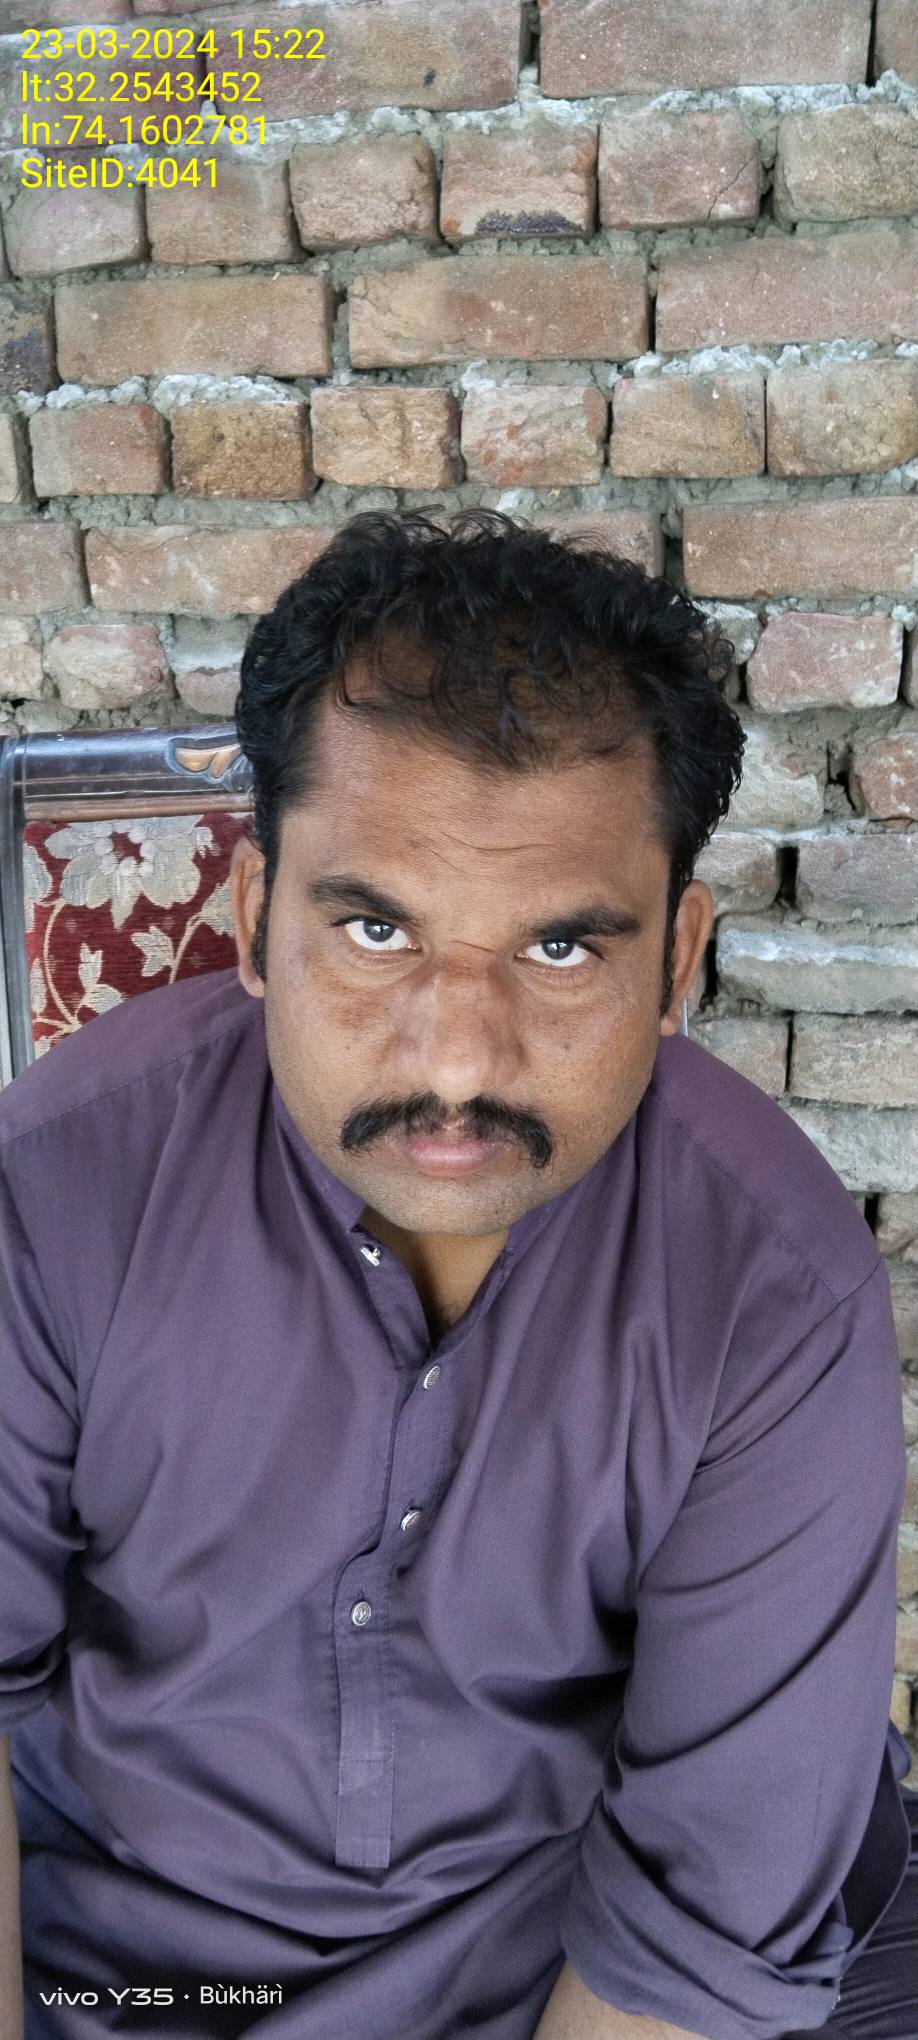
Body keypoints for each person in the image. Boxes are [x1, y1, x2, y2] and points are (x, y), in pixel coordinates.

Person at [0, 508, 914, 2040]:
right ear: (253, 919)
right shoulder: (55, 1190)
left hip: (570, 1964)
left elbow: (703, 1927)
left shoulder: (770, 1283)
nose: (455, 1063)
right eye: (374, 929)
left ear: (674, 957)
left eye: (559, 952)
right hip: (135, 1967)